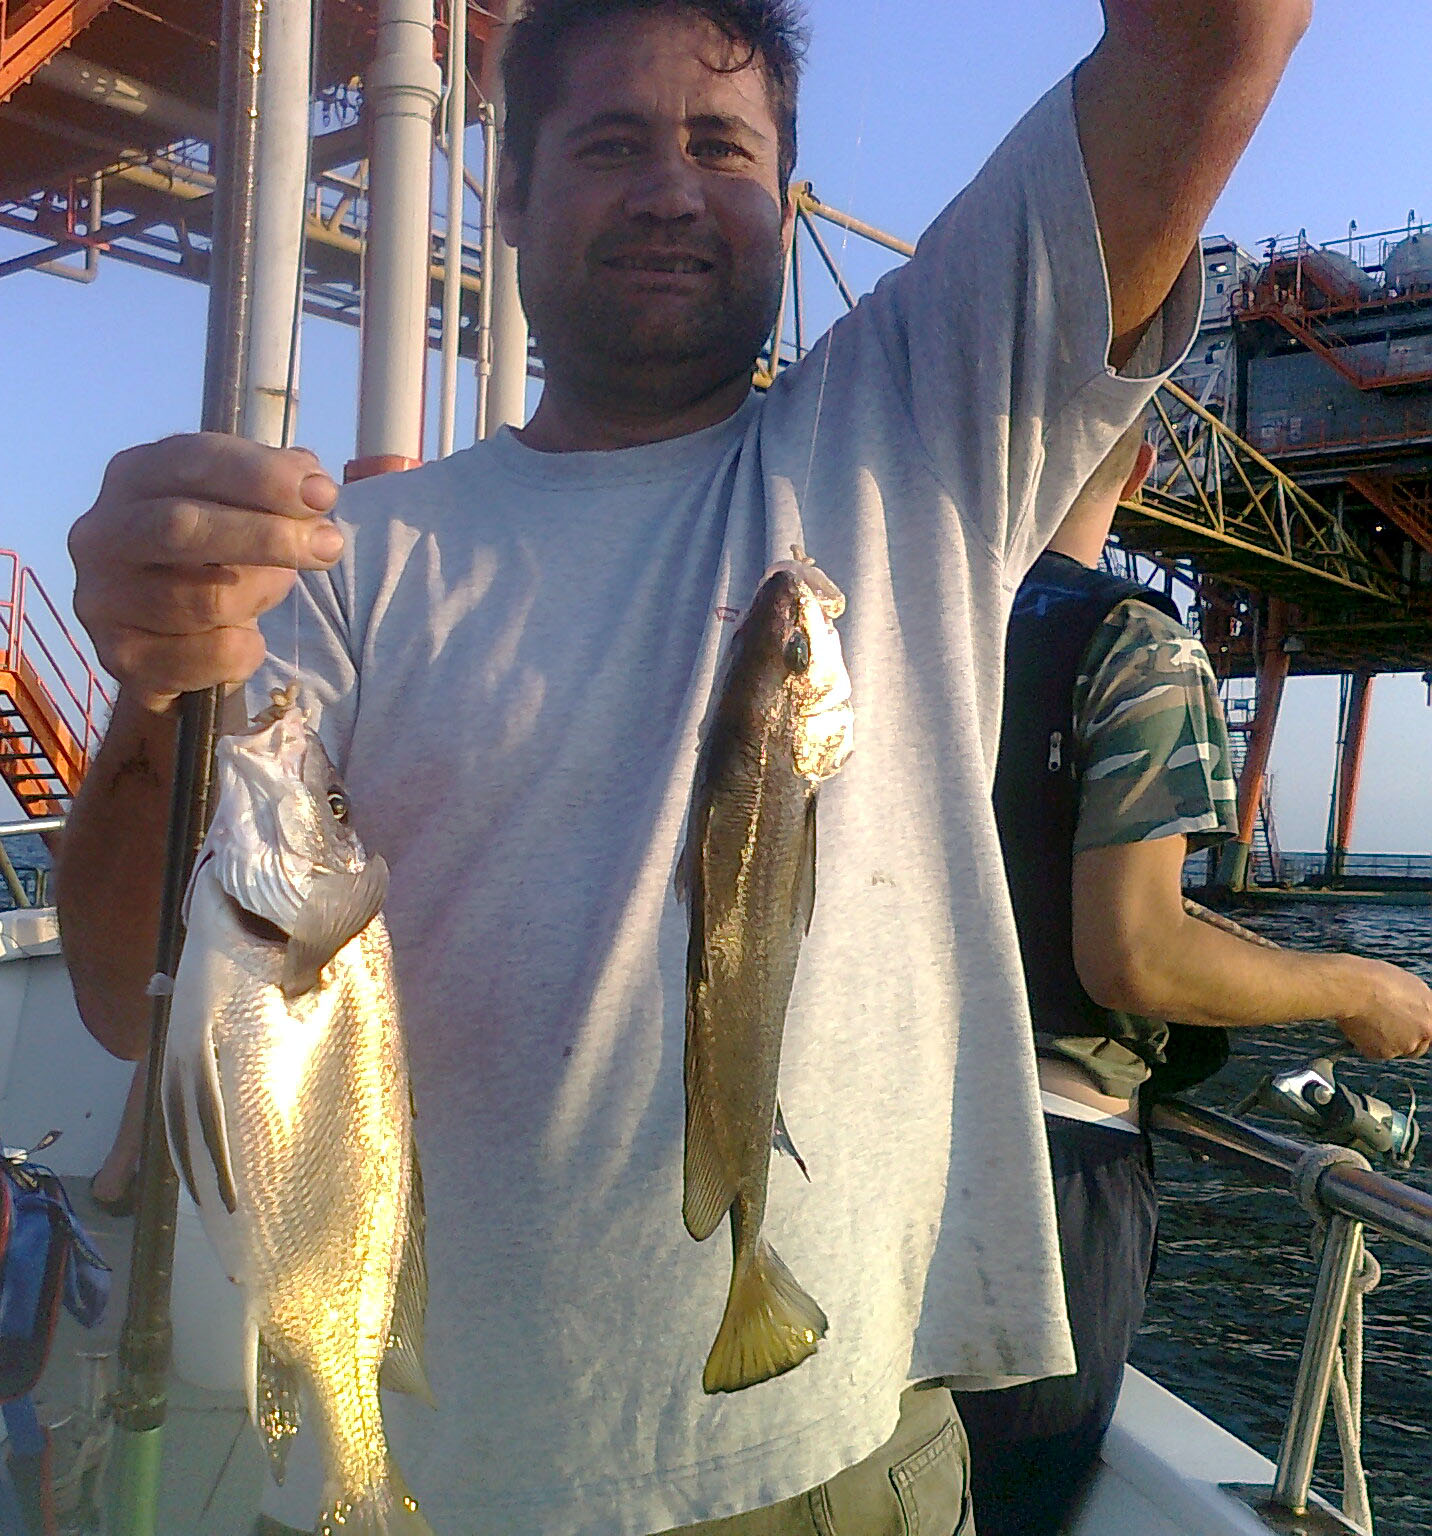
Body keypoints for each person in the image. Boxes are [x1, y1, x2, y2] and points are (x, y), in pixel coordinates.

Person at [55, 1, 1355, 1531]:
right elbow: (125, 993)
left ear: (785, 200)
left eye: (722, 148)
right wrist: (164, 679)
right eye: (611, 144)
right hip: (416, 1476)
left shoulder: (920, 432)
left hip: (827, 1464)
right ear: (510, 196)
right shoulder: (348, 563)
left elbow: (1218, 43)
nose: (671, 188)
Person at [953, 424, 1432, 1535]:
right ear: (1138, 468)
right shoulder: (1132, 644)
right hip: (1041, 1166)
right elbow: (1133, 954)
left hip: (863, 1129)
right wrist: (1357, 988)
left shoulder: (903, 622)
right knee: (1002, 1504)